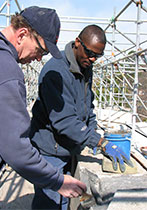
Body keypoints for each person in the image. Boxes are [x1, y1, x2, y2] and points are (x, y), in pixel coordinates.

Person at [0, 6, 87, 210]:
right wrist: (57, 181)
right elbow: (16, 148)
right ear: (22, 34)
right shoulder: (5, 71)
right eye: (40, 50)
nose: (39, 58)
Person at [30, 24, 134, 210]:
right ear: (77, 42)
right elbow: (64, 121)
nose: (93, 59)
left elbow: (87, 105)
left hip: (68, 147)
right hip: (49, 151)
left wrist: (93, 130)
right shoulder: (56, 72)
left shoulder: (86, 65)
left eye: (98, 56)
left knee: (63, 200)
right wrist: (99, 142)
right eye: (90, 53)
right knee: (49, 202)